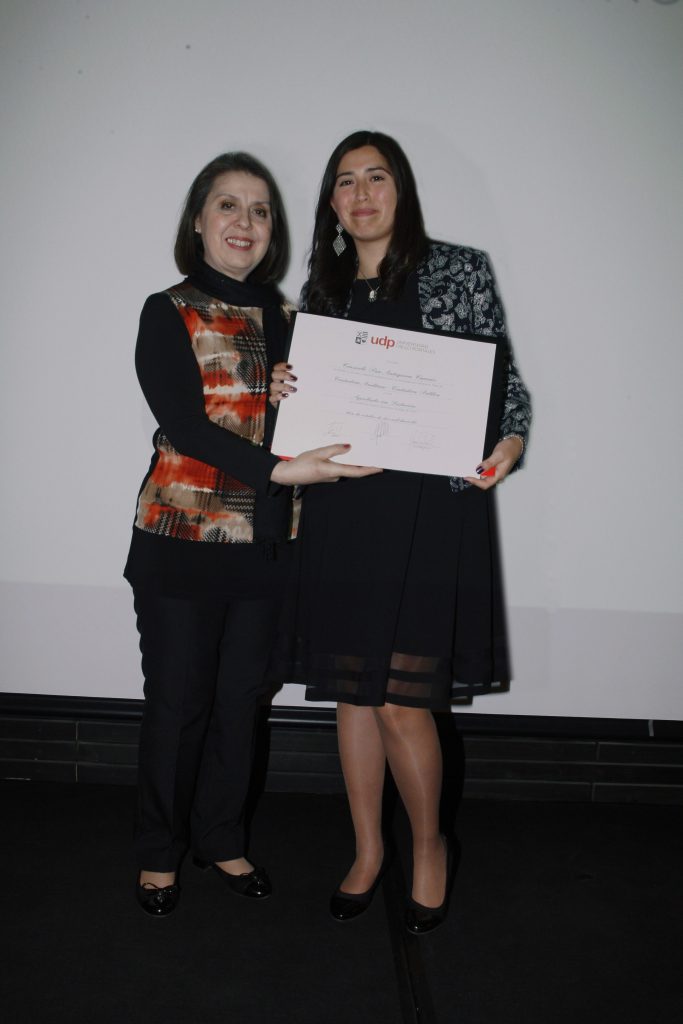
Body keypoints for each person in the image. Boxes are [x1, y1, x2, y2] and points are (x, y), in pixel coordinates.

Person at [271, 131, 531, 934]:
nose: (361, 194)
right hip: (343, 513)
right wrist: (282, 386)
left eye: (375, 177)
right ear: (332, 203)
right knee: (353, 697)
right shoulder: (319, 294)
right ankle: (366, 850)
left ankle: (427, 847)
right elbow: (305, 408)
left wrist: (509, 443)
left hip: (429, 516)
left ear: (400, 189)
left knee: (400, 704)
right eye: (345, 182)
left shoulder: (458, 269)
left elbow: (505, 387)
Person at [124, 151, 379, 917]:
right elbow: (185, 425)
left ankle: (221, 838)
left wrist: (311, 406)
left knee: (241, 704)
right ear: (198, 222)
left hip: (268, 546)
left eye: (260, 209)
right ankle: (158, 852)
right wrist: (280, 467)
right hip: (181, 541)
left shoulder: (296, 323)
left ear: (273, 229)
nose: (245, 221)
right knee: (178, 705)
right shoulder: (167, 310)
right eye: (228, 205)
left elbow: (314, 424)